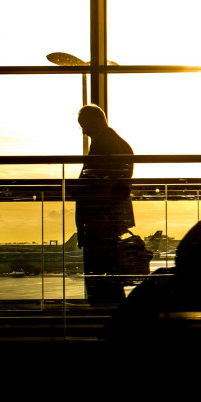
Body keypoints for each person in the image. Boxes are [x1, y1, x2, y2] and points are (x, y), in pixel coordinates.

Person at [75, 104, 135, 304]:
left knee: (100, 278)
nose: (82, 130)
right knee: (110, 277)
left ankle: (105, 318)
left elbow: (100, 184)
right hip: (108, 220)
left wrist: (79, 188)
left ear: (95, 120)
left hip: (99, 221)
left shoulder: (105, 145)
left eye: (83, 124)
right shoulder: (118, 143)